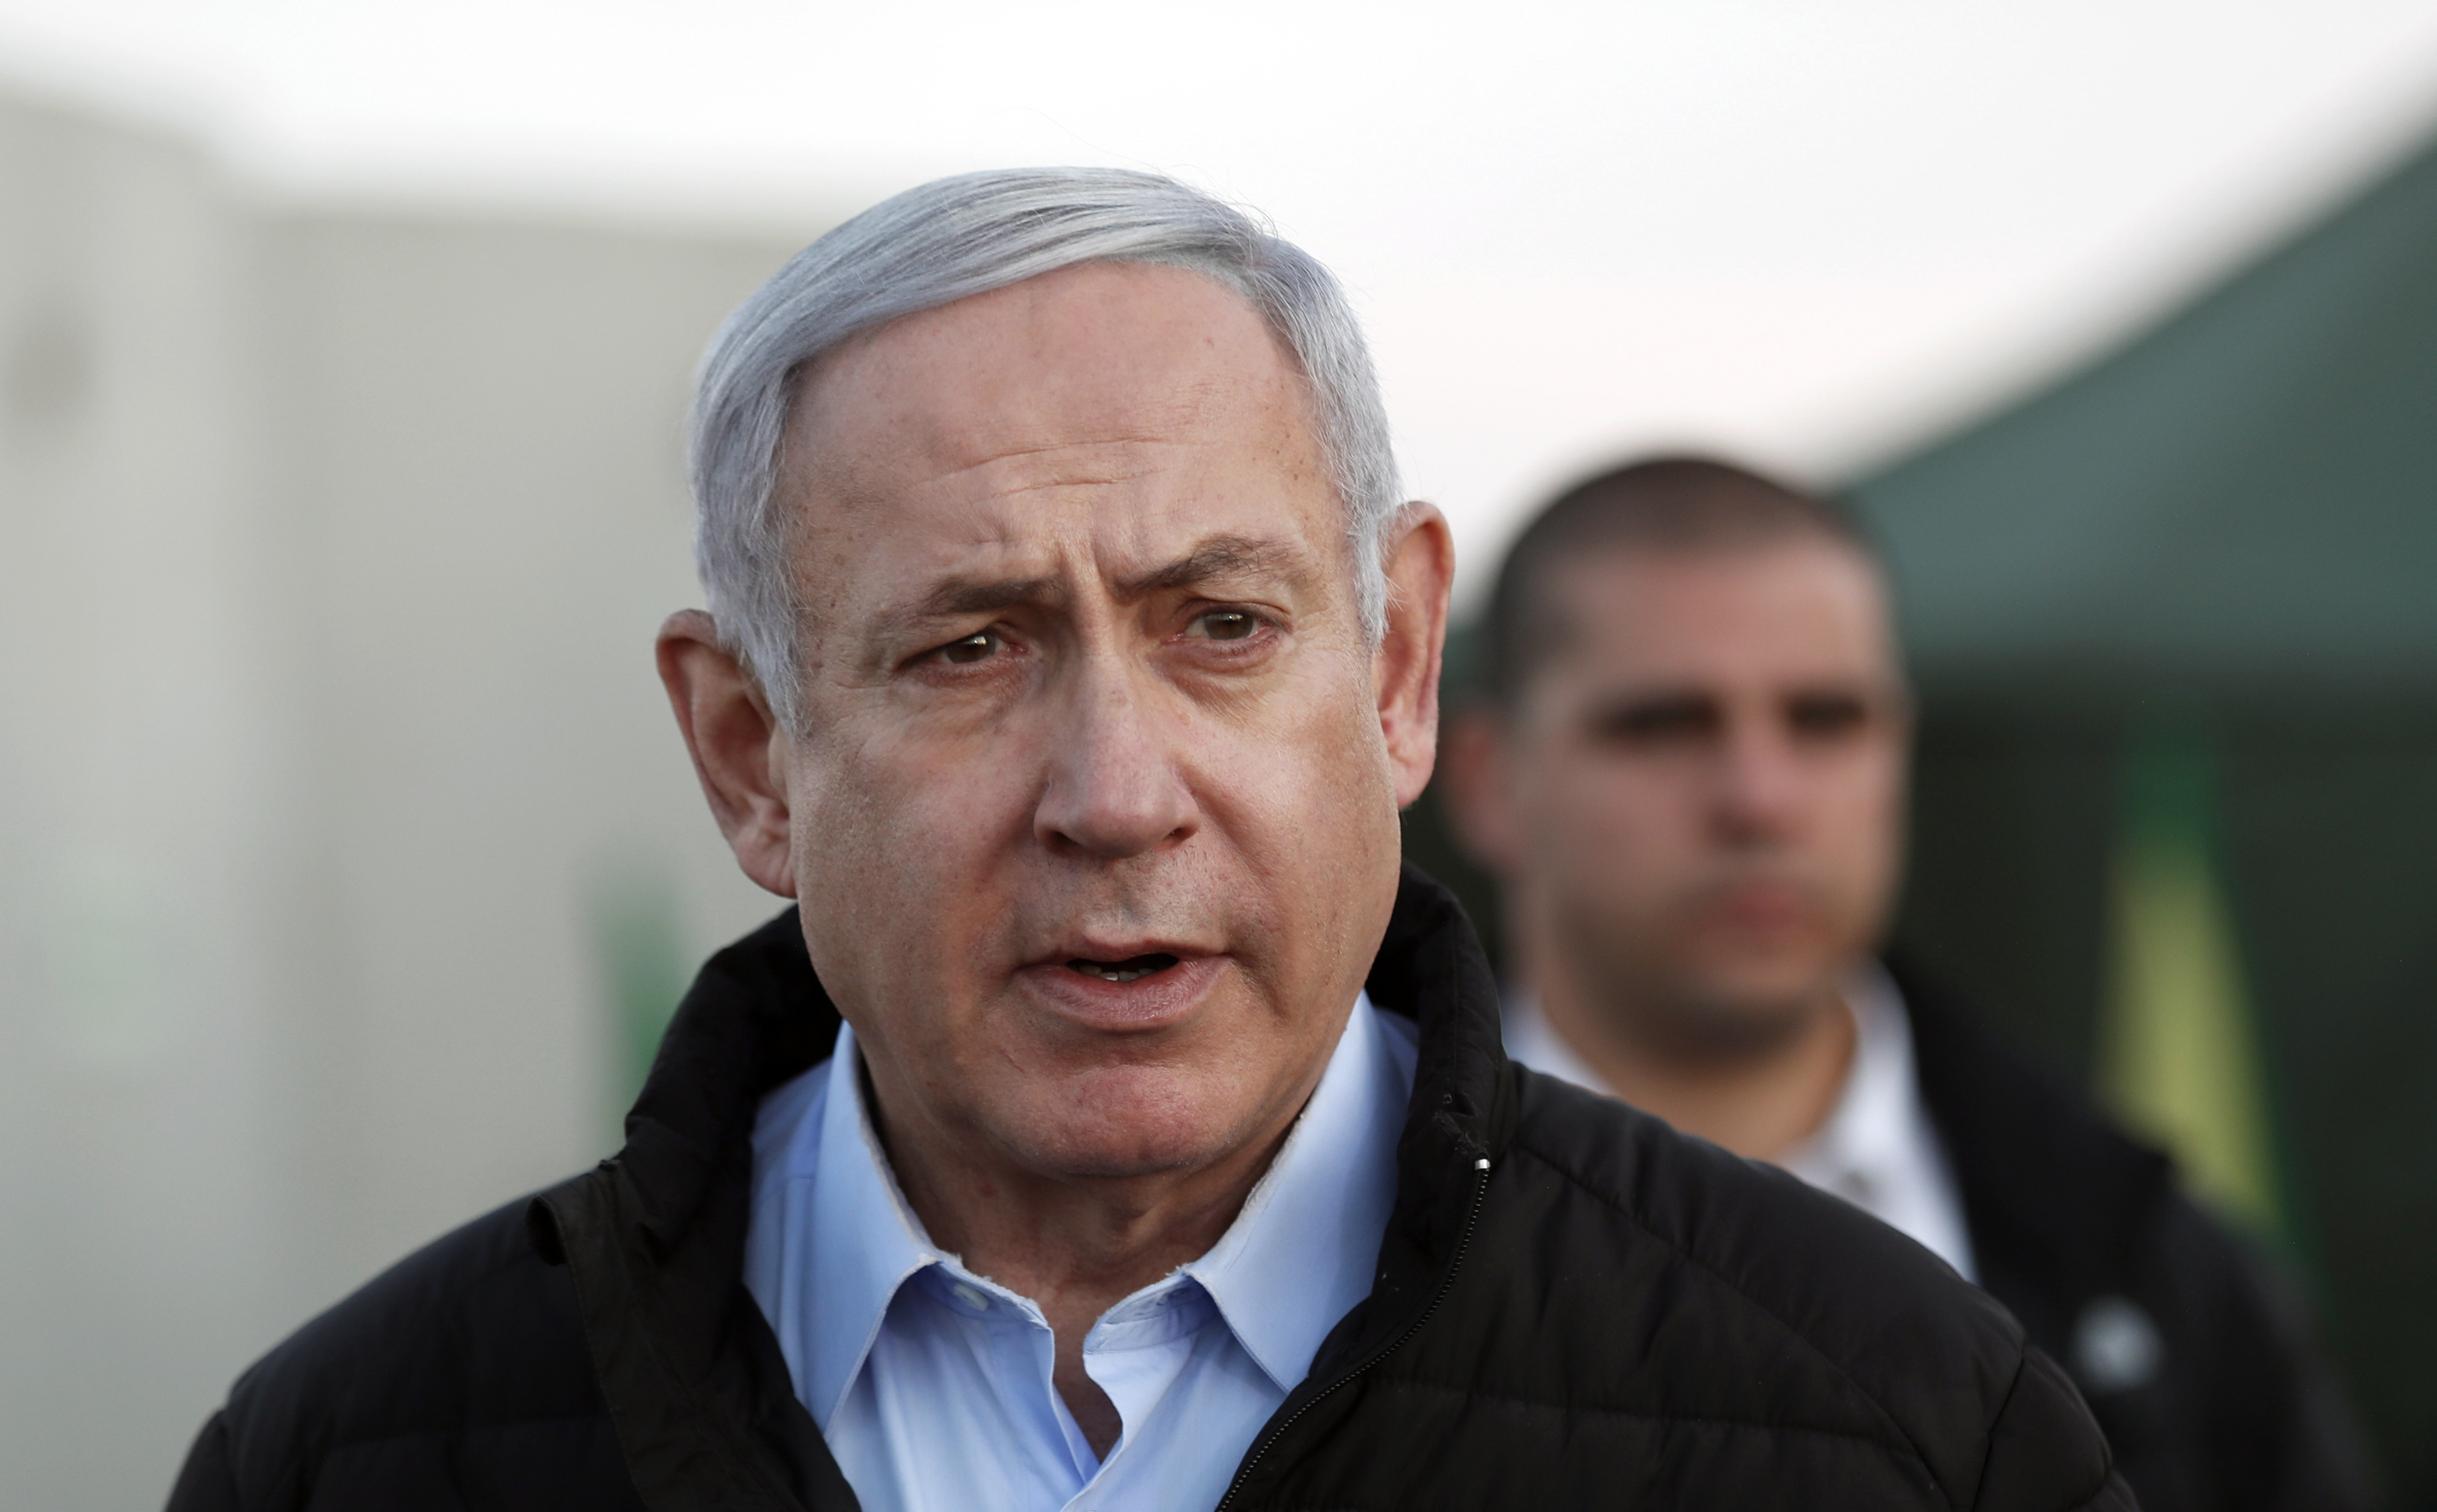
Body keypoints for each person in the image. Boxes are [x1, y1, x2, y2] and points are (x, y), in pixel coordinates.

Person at [167, 174, 2131, 1511]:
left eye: (1220, 624)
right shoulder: (356, 1459)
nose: (1115, 790)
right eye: (967, 646)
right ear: (751, 751)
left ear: (1396, 668)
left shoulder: (1890, 1428)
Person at [1441, 456, 2374, 1512]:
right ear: (1488, 779)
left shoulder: (2159, 1267)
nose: (1761, 797)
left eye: (1826, 720)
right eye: (1664, 724)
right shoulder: (1316, 1235)